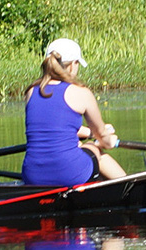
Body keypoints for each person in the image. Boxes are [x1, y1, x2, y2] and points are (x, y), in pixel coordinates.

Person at [22, 38, 126, 186]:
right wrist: (109, 140)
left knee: (79, 147)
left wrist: (89, 133)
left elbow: (55, 126)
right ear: (72, 65)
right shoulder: (80, 92)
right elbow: (103, 136)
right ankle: (129, 186)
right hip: (69, 172)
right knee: (94, 149)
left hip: (32, 175)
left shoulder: (31, 92)